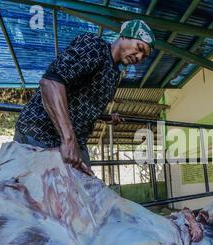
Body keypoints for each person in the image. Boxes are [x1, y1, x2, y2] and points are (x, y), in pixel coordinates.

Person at [14, 20, 155, 176]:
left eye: (144, 56)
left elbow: (83, 102)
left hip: (75, 141)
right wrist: (68, 139)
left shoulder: (115, 75)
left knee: (82, 192)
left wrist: (104, 117)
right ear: (124, 37)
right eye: (139, 48)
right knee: (33, 195)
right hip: (40, 133)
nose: (140, 56)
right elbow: (51, 83)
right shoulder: (94, 47)